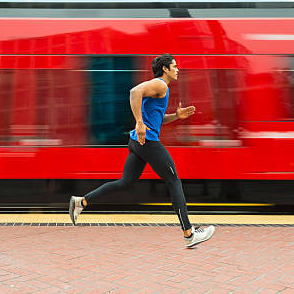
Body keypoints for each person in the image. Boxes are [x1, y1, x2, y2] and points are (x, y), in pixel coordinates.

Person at [69, 53, 215, 248]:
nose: (178, 69)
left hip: (137, 142)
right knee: (174, 181)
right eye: (175, 66)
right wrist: (139, 122)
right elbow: (134, 92)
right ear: (165, 69)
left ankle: (82, 202)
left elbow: (156, 119)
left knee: (125, 183)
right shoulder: (160, 84)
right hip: (148, 142)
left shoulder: (162, 89)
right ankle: (189, 233)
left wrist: (176, 116)